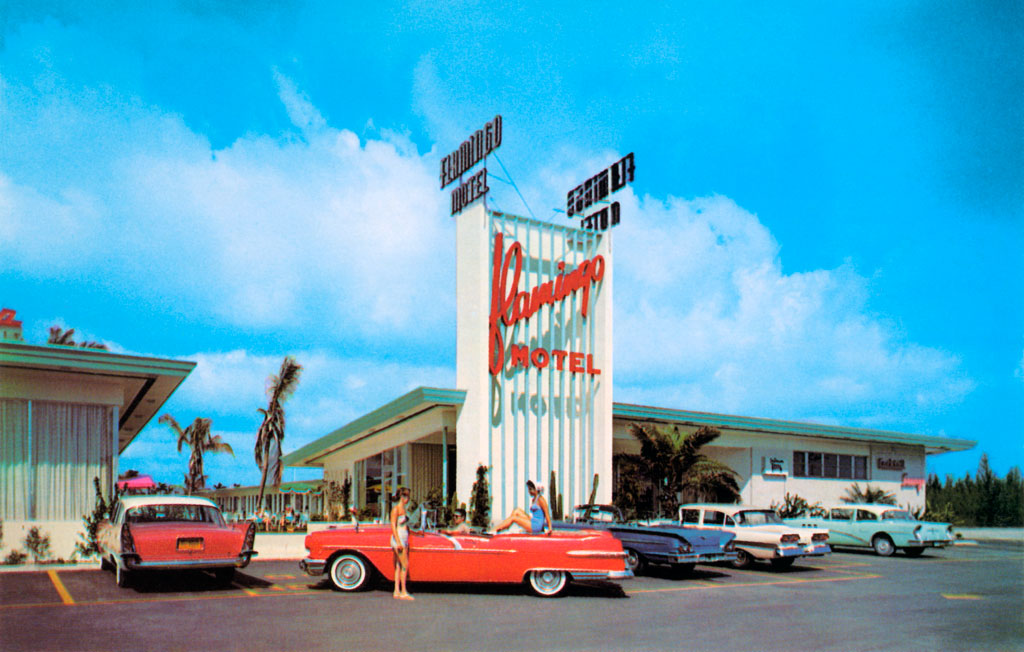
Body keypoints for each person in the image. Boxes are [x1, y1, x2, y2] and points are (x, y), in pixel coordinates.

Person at [390, 487, 414, 600]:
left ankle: (397, 591)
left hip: (403, 536)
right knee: (405, 565)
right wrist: (399, 542)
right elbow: (393, 526)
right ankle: (403, 591)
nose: (408, 499)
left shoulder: (403, 509)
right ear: (403, 497)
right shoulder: (396, 509)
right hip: (398, 538)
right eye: (407, 496)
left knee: (398, 566)